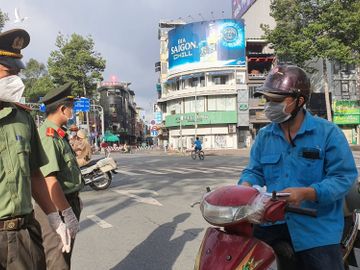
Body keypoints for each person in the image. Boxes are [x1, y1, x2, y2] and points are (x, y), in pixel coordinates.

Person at [238, 65, 358, 270]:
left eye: (276, 100)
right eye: (268, 99)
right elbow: (254, 171)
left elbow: (343, 178)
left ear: (299, 101)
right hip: (271, 222)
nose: (269, 105)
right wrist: (244, 188)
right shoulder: (264, 136)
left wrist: (307, 193)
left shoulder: (328, 133)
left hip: (316, 227)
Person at [0, 29, 70, 270]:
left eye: (17, 71)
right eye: (9, 72)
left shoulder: (23, 118)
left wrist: (55, 218)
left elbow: (36, 174)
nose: (16, 80)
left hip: (22, 237)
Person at [34, 82, 83, 270]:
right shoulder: (48, 136)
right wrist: (66, 213)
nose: (73, 113)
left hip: (66, 202)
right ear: (63, 109)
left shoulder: (58, 135)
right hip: (57, 208)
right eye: (71, 108)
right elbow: (49, 181)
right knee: (58, 259)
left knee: (65, 255)